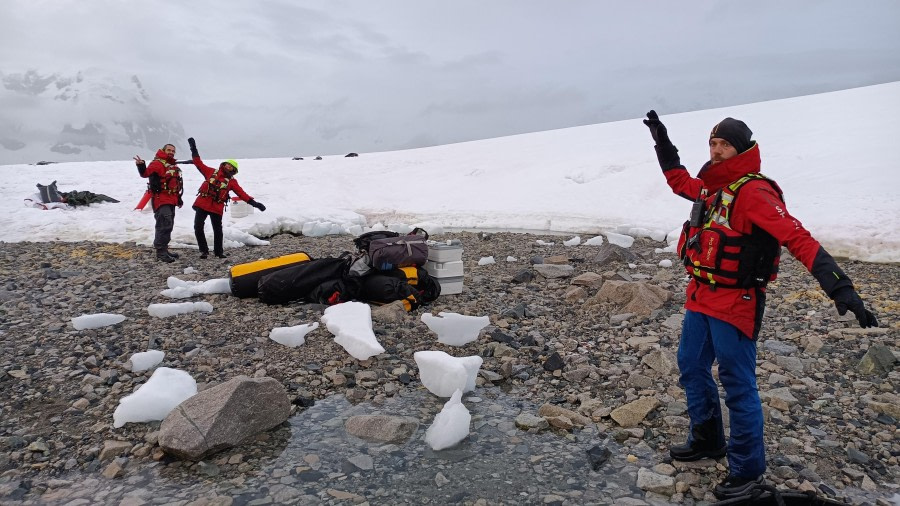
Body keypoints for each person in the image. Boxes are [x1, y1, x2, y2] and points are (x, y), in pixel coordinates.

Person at [642, 111, 878, 499]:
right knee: (690, 366)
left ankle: (747, 472)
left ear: (743, 149)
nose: (716, 151)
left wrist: (841, 288)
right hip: (701, 295)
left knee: (738, 385)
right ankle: (707, 439)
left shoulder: (754, 192)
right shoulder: (710, 187)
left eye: (724, 145)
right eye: (713, 144)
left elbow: (797, 236)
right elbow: (677, 180)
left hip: (737, 301)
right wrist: (662, 142)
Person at [187, 137, 266, 259]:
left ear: (234, 171)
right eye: (228, 164)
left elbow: (241, 194)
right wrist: (193, 148)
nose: (229, 167)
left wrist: (254, 203)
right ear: (224, 164)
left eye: (232, 167)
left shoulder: (232, 182)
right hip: (203, 203)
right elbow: (198, 163)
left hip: (216, 207)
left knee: (217, 230)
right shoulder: (210, 172)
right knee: (198, 227)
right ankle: (204, 251)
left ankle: (219, 252)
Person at [135, 144, 184, 263]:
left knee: (169, 224)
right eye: (169, 150)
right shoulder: (157, 163)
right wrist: (141, 165)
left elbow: (175, 183)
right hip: (161, 199)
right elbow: (145, 174)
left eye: (173, 151)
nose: (171, 152)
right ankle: (160, 252)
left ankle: (164, 249)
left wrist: (178, 198)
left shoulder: (172, 164)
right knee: (164, 224)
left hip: (171, 199)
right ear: (163, 150)